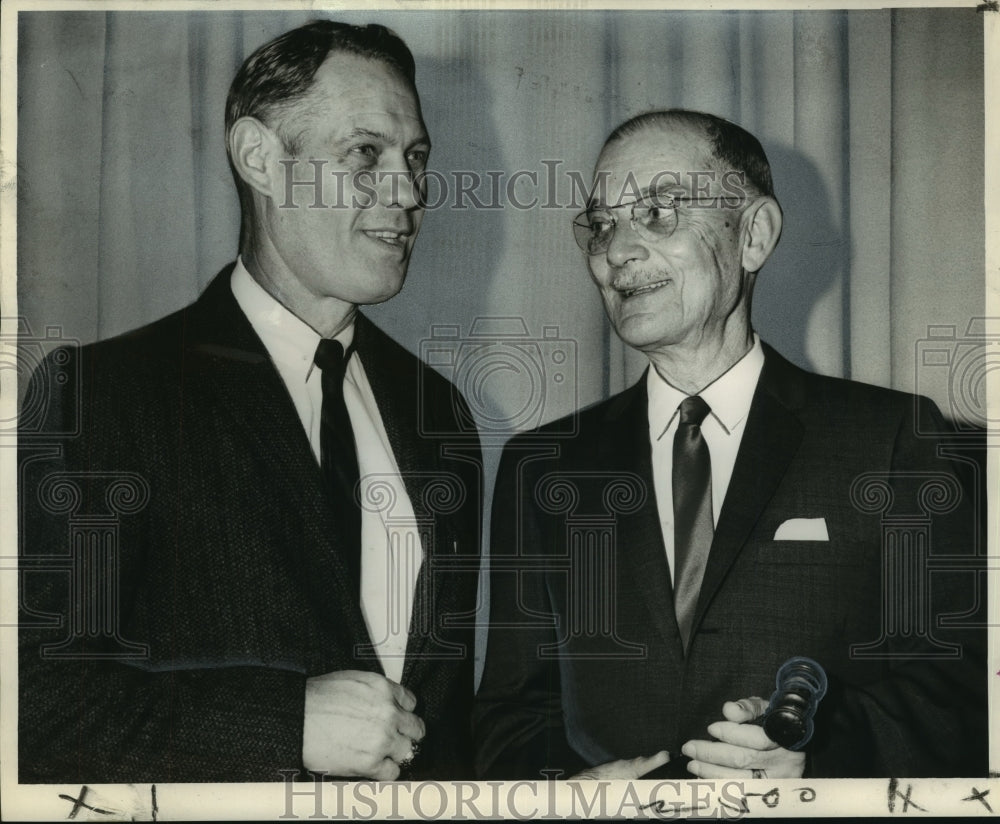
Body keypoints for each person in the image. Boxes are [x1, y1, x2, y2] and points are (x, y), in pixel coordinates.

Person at [19, 21, 481, 783]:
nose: (407, 192)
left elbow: (445, 730)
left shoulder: (442, 415)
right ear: (260, 158)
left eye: (415, 158)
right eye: (365, 153)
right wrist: (281, 724)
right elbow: (33, 706)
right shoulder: (101, 396)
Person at [473, 110, 986, 779]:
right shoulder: (541, 467)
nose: (617, 250)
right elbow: (510, 714)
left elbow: (964, 689)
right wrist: (568, 792)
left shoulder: (891, 438)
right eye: (600, 224)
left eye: (659, 211)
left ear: (754, 235)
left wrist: (817, 755)